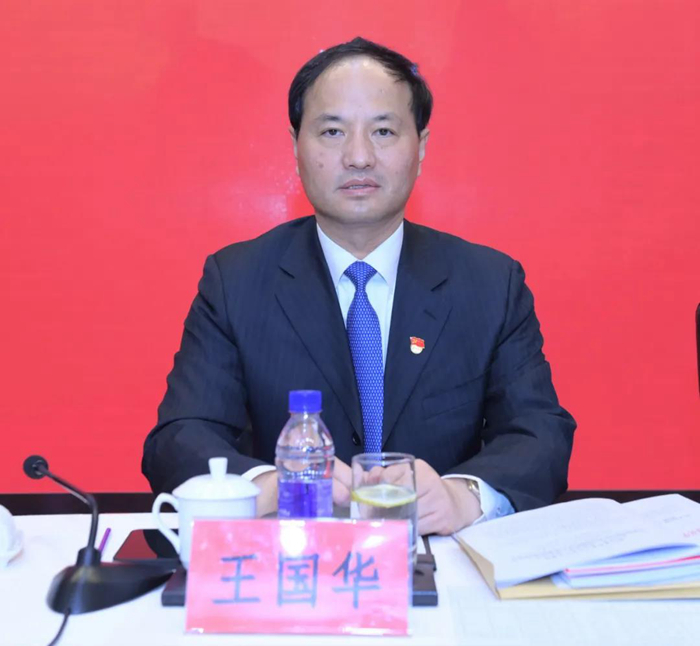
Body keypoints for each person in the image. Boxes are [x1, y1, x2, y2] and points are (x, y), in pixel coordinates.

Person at [142, 37, 576, 535]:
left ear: (421, 147)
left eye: (383, 131)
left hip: (441, 557)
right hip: (294, 557)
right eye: (332, 131)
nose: (358, 156)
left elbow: (539, 434)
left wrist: (462, 496)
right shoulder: (236, 281)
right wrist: (274, 485)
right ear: (296, 146)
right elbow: (180, 437)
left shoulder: (489, 283)